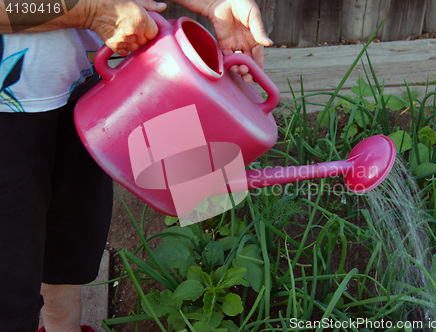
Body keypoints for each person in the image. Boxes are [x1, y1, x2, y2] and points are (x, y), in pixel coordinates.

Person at [0, 0, 272, 331]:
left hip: (79, 85)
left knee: (67, 255)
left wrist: (215, 4)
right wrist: (88, 12)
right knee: (9, 286)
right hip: (6, 113)